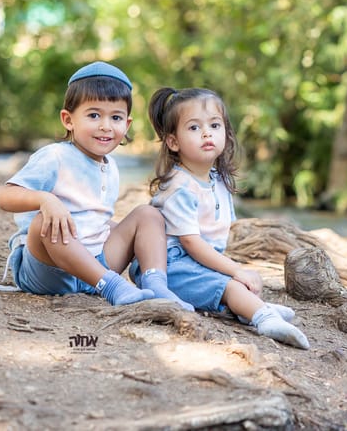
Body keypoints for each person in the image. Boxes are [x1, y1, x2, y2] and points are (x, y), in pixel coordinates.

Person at [0, 61, 192, 311]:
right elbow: (5, 196)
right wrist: (45, 200)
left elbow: (94, 219)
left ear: (127, 125)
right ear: (68, 120)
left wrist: (127, 234)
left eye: (116, 117)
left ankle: (156, 284)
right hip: (48, 271)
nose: (105, 126)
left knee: (148, 214)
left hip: (96, 265)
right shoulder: (54, 156)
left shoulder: (110, 166)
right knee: (43, 223)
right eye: (93, 115)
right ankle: (112, 286)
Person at [130, 86, 309, 349]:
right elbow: (191, 243)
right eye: (193, 128)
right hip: (170, 266)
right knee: (231, 284)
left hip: (196, 261)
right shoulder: (180, 187)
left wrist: (235, 271)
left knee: (237, 281)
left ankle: (246, 308)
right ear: (173, 142)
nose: (206, 133)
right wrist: (235, 270)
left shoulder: (218, 181)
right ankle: (264, 318)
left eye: (214, 125)